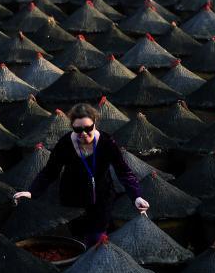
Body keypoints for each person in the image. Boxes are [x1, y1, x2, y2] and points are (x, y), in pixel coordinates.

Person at [13, 103, 149, 246]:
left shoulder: (107, 143)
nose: (84, 133)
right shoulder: (65, 144)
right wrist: (31, 192)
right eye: (78, 129)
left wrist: (136, 196)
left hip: (101, 197)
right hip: (73, 199)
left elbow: (123, 171)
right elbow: (49, 172)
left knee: (96, 239)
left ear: (95, 124)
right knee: (77, 239)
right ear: (72, 127)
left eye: (88, 128)